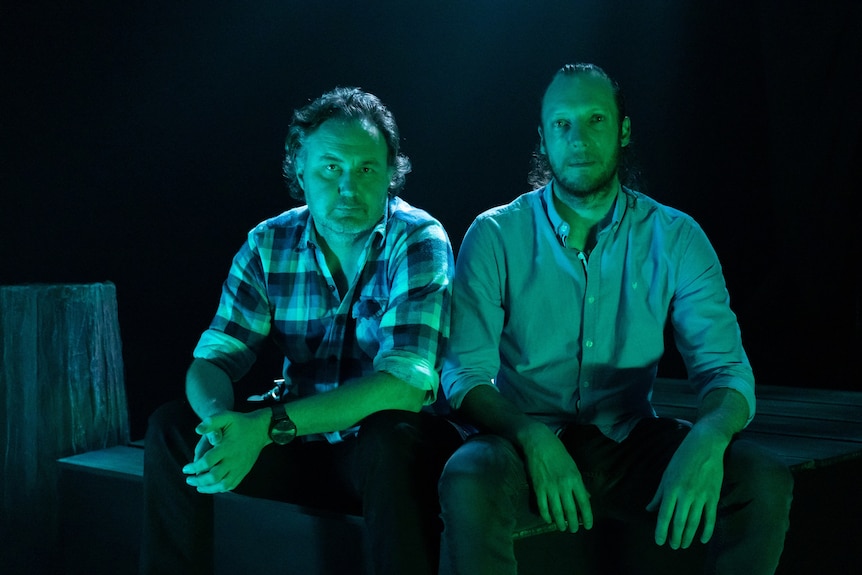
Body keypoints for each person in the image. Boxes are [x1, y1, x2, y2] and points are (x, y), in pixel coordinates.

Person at [437, 63, 793, 574]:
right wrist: (531, 437)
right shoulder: (495, 235)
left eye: (596, 120)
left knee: (762, 478)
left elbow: (726, 371)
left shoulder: (675, 237)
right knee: (469, 473)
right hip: (523, 438)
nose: (578, 138)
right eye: (562, 124)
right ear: (543, 137)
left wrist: (708, 437)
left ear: (623, 130)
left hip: (628, 442)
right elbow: (464, 375)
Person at [139, 87, 462, 575]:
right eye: (331, 168)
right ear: (301, 170)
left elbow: (404, 386)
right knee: (172, 428)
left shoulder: (419, 239)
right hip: (301, 444)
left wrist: (267, 426)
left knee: (390, 436)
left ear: (390, 174)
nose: (349, 187)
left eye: (366, 169)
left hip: (384, 454)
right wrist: (219, 423)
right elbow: (215, 357)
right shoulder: (268, 242)